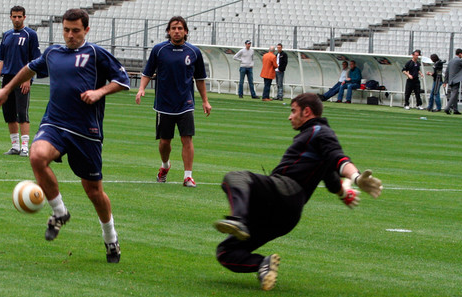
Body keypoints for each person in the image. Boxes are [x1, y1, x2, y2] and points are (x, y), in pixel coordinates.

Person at [0, 9, 130, 263]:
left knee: (93, 191)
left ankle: (111, 237)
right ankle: (60, 212)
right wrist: (6, 90)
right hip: (55, 123)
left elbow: (123, 80)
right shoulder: (53, 53)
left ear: (86, 30)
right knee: (36, 156)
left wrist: (99, 92)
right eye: (66, 30)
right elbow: (28, 69)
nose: (70, 35)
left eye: (75, 31)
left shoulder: (96, 54)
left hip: (86, 132)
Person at [213, 93, 383, 291]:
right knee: (225, 252)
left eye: (293, 111)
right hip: (286, 217)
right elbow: (332, 177)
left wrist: (355, 177)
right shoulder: (315, 138)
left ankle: (238, 220)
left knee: (235, 178)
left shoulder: (319, 131)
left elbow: (339, 158)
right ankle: (262, 264)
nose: (290, 116)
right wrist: (343, 193)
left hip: (283, 191)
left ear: (307, 112)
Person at [135, 16, 212, 188]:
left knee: (187, 139)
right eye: (173, 28)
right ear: (168, 31)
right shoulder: (159, 50)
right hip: (164, 104)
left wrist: (205, 101)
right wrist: (141, 89)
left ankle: (188, 176)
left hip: (186, 103)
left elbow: (200, 79)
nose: (177, 31)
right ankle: (165, 166)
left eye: (180, 28)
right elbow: (148, 72)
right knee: (164, 142)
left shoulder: (194, 52)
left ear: (185, 31)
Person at [0, 6, 41, 157]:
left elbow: (35, 60)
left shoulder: (30, 35)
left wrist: (28, 78)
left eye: (19, 17)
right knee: (9, 114)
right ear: (10, 17)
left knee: (22, 113)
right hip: (7, 79)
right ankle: (15, 146)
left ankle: (25, 147)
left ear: (24, 17)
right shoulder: (6, 35)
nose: (17, 19)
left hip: (22, 78)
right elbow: (2, 58)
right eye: (14, 17)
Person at [443, 48, 462, 115]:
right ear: (460, 54)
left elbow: (447, 71)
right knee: (454, 95)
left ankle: (455, 110)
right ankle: (447, 108)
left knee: (455, 95)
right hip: (456, 80)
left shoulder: (451, 61)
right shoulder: (459, 60)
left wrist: (445, 81)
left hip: (450, 80)